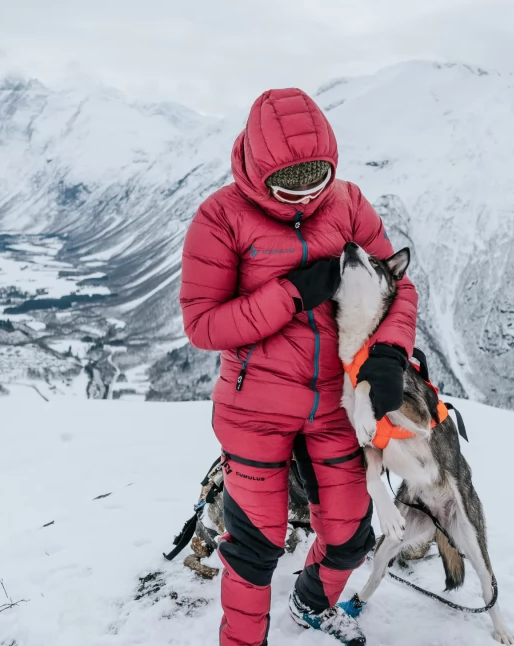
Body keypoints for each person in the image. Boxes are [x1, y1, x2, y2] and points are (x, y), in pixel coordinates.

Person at [179, 88, 418, 646]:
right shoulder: (220, 218)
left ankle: (312, 602)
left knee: (351, 531)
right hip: (254, 408)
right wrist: (290, 294)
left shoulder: (349, 203)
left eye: (319, 179)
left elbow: (397, 286)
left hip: (337, 400)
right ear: (259, 169)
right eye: (290, 183)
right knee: (254, 545)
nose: (306, 198)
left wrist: (389, 351)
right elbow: (203, 324)